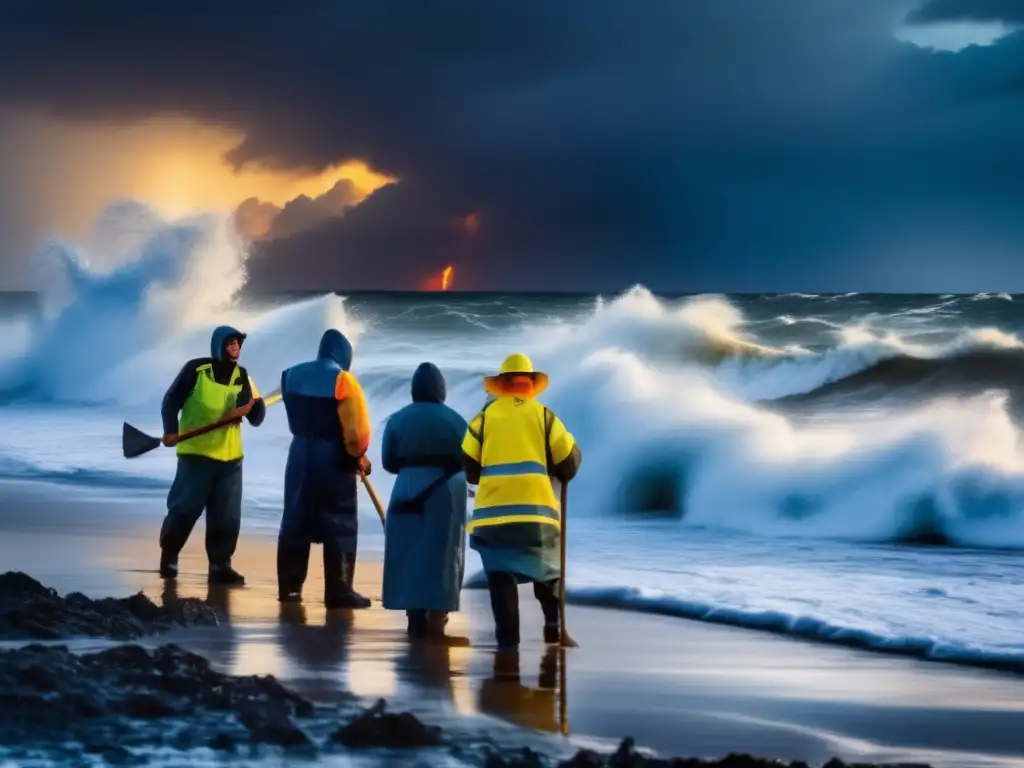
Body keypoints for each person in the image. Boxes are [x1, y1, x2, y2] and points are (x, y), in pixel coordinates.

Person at [461, 352, 582, 649]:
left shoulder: (483, 420)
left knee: (500, 573)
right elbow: (568, 465)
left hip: (492, 518)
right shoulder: (545, 416)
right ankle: (553, 625)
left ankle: (507, 640)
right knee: (547, 566)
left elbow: (470, 470)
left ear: (501, 385)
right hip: (537, 515)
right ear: (530, 383)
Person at [158, 325, 267, 584]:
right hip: (196, 456)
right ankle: (170, 556)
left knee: (226, 517)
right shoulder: (196, 371)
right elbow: (170, 401)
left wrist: (252, 407)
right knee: (184, 510)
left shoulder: (242, 376)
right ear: (218, 346)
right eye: (230, 343)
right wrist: (170, 431)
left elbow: (257, 418)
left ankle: (220, 565)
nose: (236, 349)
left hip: (230, 461)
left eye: (238, 344)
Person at [277, 329, 373, 608]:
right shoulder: (344, 380)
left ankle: (290, 588)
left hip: (299, 455)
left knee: (295, 520)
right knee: (339, 521)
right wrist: (359, 456)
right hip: (332, 459)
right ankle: (339, 590)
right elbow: (357, 434)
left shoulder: (290, 375)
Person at [380, 362, 469, 638]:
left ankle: (414, 613)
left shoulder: (396, 419)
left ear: (414, 390)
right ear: (442, 390)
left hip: (406, 487)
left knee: (409, 551)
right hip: (446, 491)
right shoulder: (457, 421)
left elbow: (388, 461)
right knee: (443, 553)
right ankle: (439, 611)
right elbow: (468, 460)